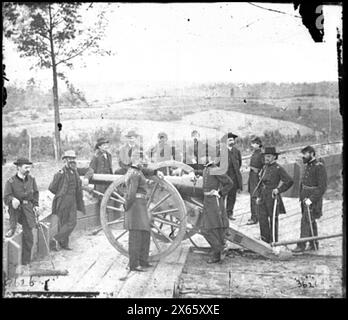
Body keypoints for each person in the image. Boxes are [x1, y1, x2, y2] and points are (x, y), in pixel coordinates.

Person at [123, 158, 164, 272]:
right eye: (141, 161)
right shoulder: (134, 174)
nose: (144, 163)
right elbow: (131, 193)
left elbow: (146, 171)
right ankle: (133, 265)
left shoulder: (138, 171)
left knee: (145, 234)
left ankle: (143, 261)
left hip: (141, 206)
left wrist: (156, 172)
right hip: (135, 206)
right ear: (135, 162)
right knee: (135, 236)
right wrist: (127, 206)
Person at [194, 155, 233, 263]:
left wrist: (219, 193)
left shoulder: (215, 169)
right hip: (208, 202)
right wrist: (195, 173)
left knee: (210, 229)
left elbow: (229, 183)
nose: (200, 158)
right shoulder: (206, 169)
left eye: (202, 156)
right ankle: (218, 250)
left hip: (214, 203)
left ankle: (219, 251)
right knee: (209, 229)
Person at [3, 158, 39, 266]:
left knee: (29, 237)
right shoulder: (11, 181)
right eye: (26, 167)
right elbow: (6, 197)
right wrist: (12, 199)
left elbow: (36, 194)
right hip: (16, 210)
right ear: (18, 167)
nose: (28, 169)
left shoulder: (31, 180)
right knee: (13, 228)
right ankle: (12, 228)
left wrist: (36, 205)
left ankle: (25, 262)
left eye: (29, 167)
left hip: (27, 209)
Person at [292, 146, 327, 252]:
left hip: (313, 199)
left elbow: (322, 188)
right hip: (305, 197)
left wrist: (311, 199)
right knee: (310, 220)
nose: (303, 156)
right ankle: (313, 243)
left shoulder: (319, 166)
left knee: (305, 221)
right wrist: (302, 197)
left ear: (312, 154)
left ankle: (301, 245)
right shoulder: (308, 165)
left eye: (305, 154)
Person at [49, 150, 86, 251]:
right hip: (63, 200)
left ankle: (55, 239)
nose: (72, 161)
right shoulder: (60, 173)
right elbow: (51, 188)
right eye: (70, 159)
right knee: (63, 222)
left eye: (73, 159)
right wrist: (60, 193)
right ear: (65, 160)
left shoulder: (75, 172)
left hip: (73, 200)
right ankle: (63, 244)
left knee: (72, 222)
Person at [255, 147, 293, 244]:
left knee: (273, 219)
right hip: (263, 196)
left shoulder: (278, 168)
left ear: (274, 157)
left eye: (268, 156)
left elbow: (289, 181)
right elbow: (260, 183)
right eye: (265, 156)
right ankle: (264, 240)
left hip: (272, 196)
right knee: (262, 218)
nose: (266, 158)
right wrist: (259, 196)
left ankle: (274, 242)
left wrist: (279, 190)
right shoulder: (264, 167)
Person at [221, 132, 243, 220]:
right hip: (224, 179)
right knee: (222, 196)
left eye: (233, 140)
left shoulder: (236, 151)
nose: (232, 141)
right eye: (230, 140)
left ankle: (229, 213)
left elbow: (239, 164)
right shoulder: (221, 152)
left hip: (234, 178)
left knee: (232, 197)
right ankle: (221, 214)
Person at [247, 137, 264, 225]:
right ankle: (254, 216)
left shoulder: (261, 154)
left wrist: (259, 173)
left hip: (256, 177)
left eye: (253, 143)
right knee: (252, 196)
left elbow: (264, 166)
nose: (252, 145)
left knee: (254, 197)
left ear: (258, 144)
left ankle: (255, 218)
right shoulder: (255, 153)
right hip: (252, 176)